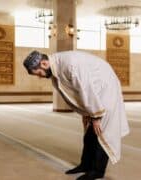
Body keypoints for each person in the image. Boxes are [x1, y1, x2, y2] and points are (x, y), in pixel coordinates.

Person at [23, 50, 130, 180]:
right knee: (90, 135)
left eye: (38, 73)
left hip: (105, 91)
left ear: (44, 63)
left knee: (102, 133)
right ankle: (85, 165)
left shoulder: (70, 64)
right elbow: (77, 92)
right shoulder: (58, 66)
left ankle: (97, 171)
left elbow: (86, 90)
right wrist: (86, 113)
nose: (40, 76)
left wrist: (95, 116)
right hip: (95, 95)